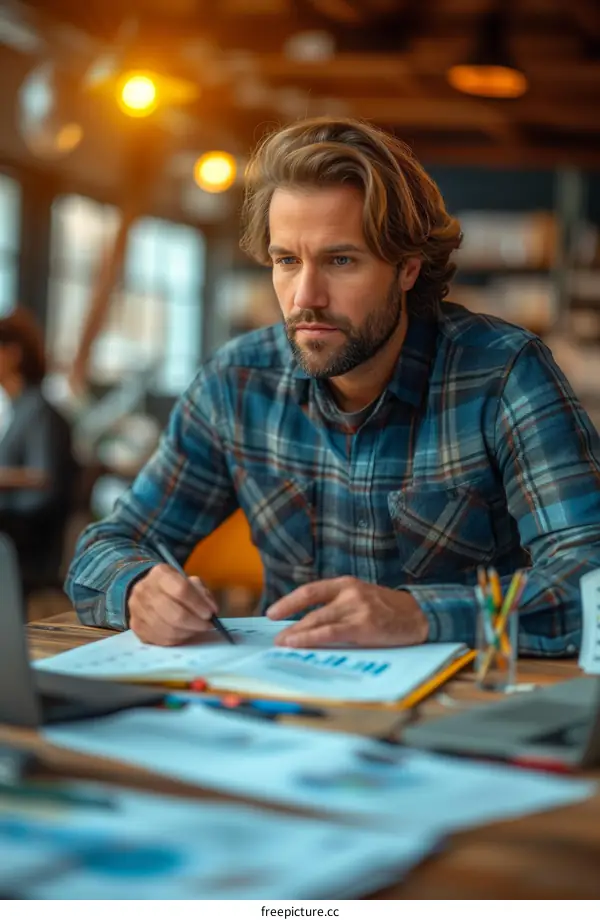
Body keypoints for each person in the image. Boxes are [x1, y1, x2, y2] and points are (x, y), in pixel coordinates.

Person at [66, 117, 600, 653]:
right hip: (284, 689)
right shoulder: (237, 382)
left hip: (463, 696)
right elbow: (107, 546)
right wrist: (137, 588)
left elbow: (591, 577)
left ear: (408, 268)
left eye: (340, 260)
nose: (306, 297)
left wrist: (420, 615)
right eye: (287, 260)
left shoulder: (503, 373)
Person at [0, 307, 75, 593]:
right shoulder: (17, 409)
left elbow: (42, 476)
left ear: (13, 354)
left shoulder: (38, 410)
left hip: (27, 530)